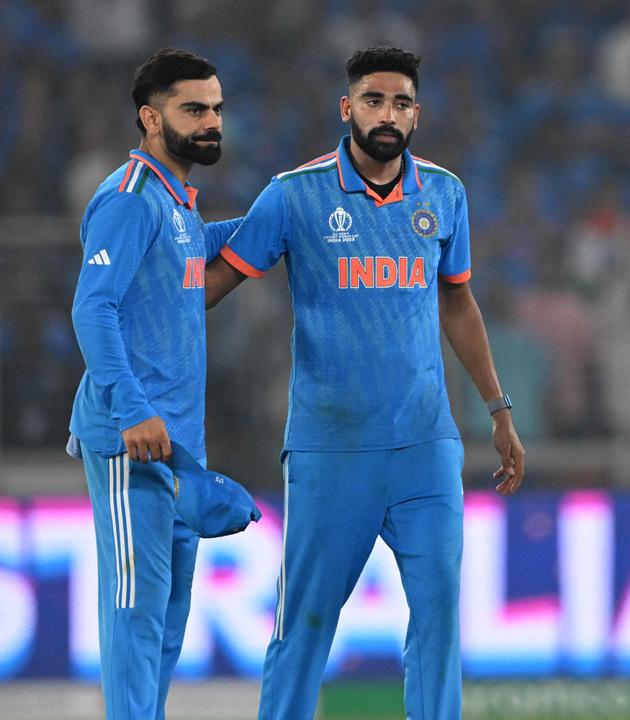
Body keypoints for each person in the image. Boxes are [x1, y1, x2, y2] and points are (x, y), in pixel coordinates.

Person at [203, 46, 525, 719]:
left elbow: (458, 303)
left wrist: (498, 409)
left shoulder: (445, 192)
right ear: (347, 108)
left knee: (439, 614)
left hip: (424, 445)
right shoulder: (294, 194)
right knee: (306, 624)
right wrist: (138, 299)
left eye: (402, 102)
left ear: (417, 115)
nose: (388, 113)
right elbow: (218, 281)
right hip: (330, 447)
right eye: (374, 100)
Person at [68, 48, 240, 718]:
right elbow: (92, 305)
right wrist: (133, 408)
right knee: (137, 610)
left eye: (216, 109)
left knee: (166, 622)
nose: (210, 122)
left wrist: (276, 223)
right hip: (130, 439)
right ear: (149, 118)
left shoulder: (175, 204)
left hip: (177, 446)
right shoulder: (131, 200)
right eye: (193, 109)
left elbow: (192, 255)